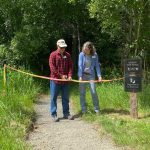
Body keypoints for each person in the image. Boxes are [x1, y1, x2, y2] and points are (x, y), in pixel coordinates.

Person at [49, 39, 74, 122]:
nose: (63, 49)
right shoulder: (53, 55)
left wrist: (69, 76)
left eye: (64, 47)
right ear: (57, 46)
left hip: (65, 81)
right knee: (53, 98)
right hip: (55, 81)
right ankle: (54, 114)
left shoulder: (68, 55)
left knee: (65, 98)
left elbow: (70, 66)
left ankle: (66, 113)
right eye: (61, 47)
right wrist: (61, 76)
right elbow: (52, 68)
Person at [78, 41, 102, 115]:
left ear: (90, 49)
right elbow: (80, 66)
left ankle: (97, 109)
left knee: (93, 92)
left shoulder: (95, 55)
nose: (85, 50)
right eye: (84, 49)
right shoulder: (81, 54)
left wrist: (99, 76)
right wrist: (80, 76)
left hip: (91, 75)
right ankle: (84, 110)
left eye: (86, 49)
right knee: (82, 93)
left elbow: (97, 66)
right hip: (83, 75)